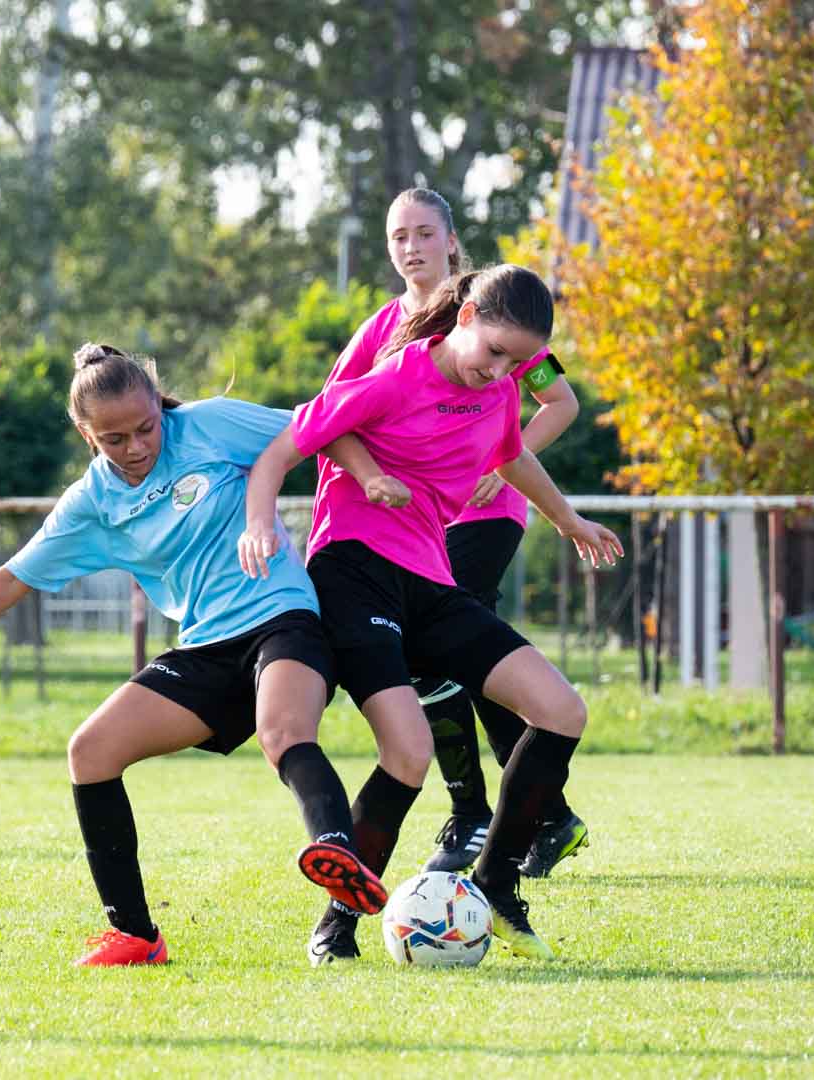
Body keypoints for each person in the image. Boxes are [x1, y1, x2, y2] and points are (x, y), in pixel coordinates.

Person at [0, 343, 390, 967]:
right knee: (90, 750)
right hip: (204, 647)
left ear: (159, 404)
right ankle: (134, 935)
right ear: (87, 435)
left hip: (282, 619)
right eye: (114, 439)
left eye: (146, 428)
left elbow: (321, 424)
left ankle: (336, 853)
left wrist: (369, 476)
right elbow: (13, 578)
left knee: (282, 731)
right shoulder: (91, 503)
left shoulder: (207, 425)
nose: (135, 447)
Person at [240, 265, 623, 964]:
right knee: (409, 752)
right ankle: (336, 925)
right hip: (354, 572)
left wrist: (568, 520)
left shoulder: (497, 394)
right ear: (466, 316)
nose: (499, 371)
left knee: (562, 710)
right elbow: (290, 443)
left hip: (430, 581)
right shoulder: (395, 377)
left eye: (514, 362)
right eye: (494, 351)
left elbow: (512, 460)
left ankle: (496, 885)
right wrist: (260, 522)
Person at [332, 188, 590, 888]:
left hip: (484, 513)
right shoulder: (383, 329)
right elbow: (330, 411)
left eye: (424, 233)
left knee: (455, 651)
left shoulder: (492, 319)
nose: (410, 247)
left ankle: (485, 813)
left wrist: (491, 462)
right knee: (438, 664)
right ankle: (531, 811)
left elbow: (560, 400)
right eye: (397, 236)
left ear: (451, 240)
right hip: (413, 525)